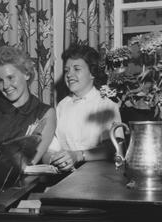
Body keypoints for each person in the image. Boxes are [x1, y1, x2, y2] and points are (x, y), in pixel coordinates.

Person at [0, 46, 56, 176]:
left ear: (26, 74)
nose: (5, 86)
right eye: (0, 80)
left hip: (23, 190)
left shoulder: (46, 113)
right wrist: (9, 159)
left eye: (11, 78)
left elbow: (27, 163)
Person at [43, 44, 123, 172]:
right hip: (65, 178)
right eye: (67, 70)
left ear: (92, 73)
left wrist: (79, 155)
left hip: (99, 178)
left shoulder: (106, 105)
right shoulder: (62, 105)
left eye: (77, 69)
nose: (69, 74)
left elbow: (113, 147)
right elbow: (52, 146)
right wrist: (55, 159)